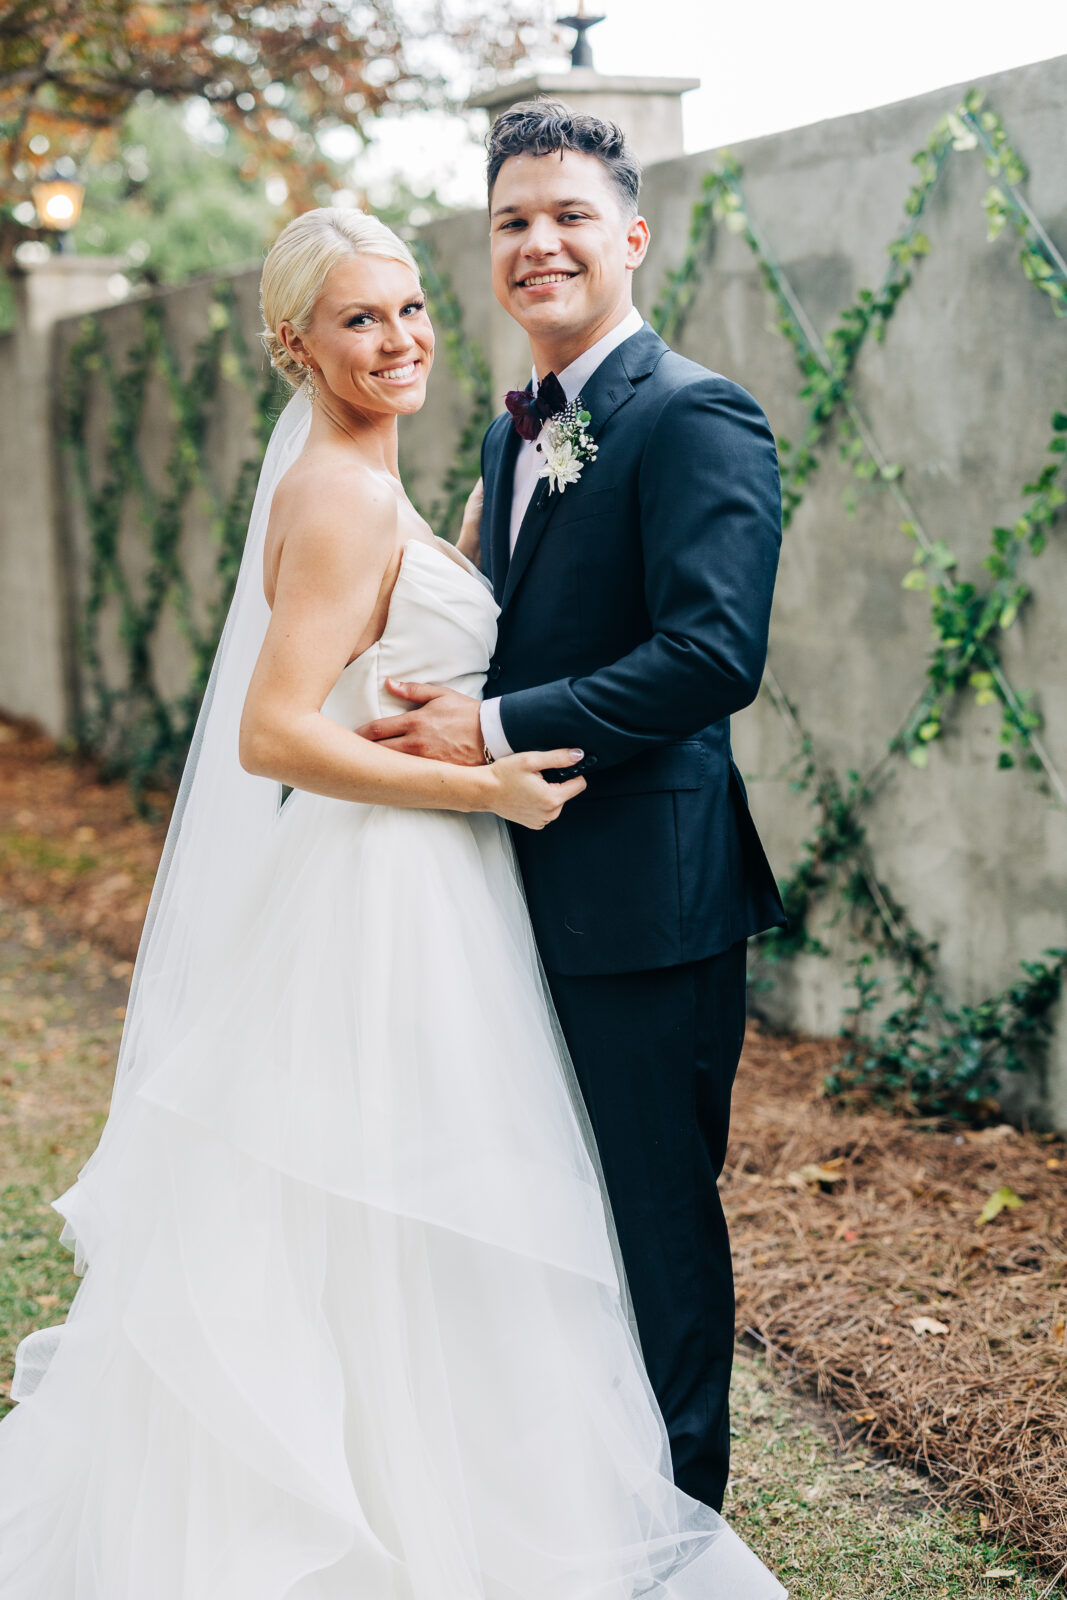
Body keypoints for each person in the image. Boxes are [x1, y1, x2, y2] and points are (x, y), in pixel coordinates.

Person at [0, 207, 786, 1597]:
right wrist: (484, 783)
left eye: (411, 308)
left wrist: (469, 573)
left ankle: (429, 1494)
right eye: (359, 319)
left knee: (414, 1210)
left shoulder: (393, 474)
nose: (400, 338)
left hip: (428, 883)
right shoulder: (343, 494)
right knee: (396, 1200)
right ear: (294, 343)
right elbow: (274, 733)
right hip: (386, 892)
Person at [358, 102, 787, 1515]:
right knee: (550, 1213)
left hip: (648, 902)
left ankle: (679, 1529)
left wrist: (485, 727)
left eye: (569, 217)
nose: (538, 243)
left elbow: (711, 655)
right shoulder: (515, 434)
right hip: (513, 888)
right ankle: (579, 1503)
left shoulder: (694, 414)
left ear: (633, 236)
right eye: (513, 222)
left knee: (656, 1224)